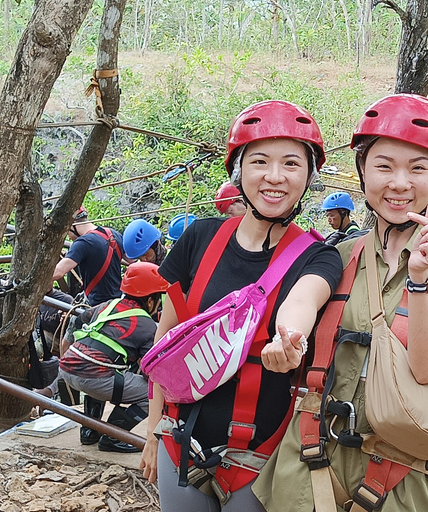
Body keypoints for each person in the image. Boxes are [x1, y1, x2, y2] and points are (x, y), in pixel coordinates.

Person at [253, 94, 428, 512]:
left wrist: (419, 283)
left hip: (397, 477)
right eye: (384, 166)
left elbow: (427, 367)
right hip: (309, 464)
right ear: (363, 173)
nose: (399, 183)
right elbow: (300, 316)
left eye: (417, 169)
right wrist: (287, 347)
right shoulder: (337, 257)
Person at [140, 100, 343, 511]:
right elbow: (166, 343)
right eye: (260, 161)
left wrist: (291, 339)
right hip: (181, 441)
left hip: (261, 455)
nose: (274, 177)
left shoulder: (318, 256)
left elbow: (303, 300)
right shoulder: (199, 238)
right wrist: (151, 433)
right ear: (239, 170)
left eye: (290, 164)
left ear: (309, 176)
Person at [57, 261, 168, 452]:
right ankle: (113, 437)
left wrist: (64, 353)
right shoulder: (147, 326)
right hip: (93, 377)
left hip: (66, 366)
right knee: (154, 394)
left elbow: (76, 321)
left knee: (106, 366)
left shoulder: (107, 306)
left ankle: (90, 431)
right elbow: (150, 372)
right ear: (150, 300)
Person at [52, 207, 124, 306]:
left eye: (67, 231)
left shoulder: (82, 243)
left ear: (72, 226)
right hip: (118, 301)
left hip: (97, 306)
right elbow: (131, 260)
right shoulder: (113, 234)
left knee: (73, 321)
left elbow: (58, 272)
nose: (68, 236)